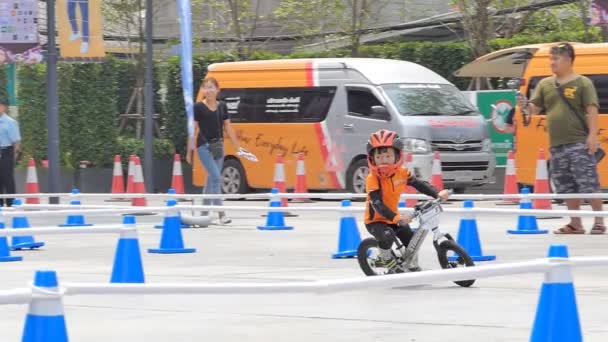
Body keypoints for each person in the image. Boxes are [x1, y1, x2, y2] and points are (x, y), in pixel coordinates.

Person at [517, 42, 605, 235]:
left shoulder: (583, 83)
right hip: (557, 145)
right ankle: (576, 223)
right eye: (551, 58)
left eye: (555, 59)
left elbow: (592, 109)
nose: (552, 62)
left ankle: (599, 221)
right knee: (566, 185)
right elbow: (534, 109)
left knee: (588, 183)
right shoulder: (545, 84)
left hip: (579, 142)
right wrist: (524, 106)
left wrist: (592, 136)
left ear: (568, 60)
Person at [364, 129, 450, 273]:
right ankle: (385, 259)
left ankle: (411, 264)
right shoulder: (372, 178)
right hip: (375, 221)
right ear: (372, 159)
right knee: (387, 236)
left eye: (387, 156)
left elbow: (419, 184)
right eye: (379, 157)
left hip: (394, 218)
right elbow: (377, 205)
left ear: (397, 156)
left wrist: (437, 193)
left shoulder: (402, 172)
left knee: (411, 239)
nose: (383, 160)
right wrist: (397, 218)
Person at [187, 77, 240, 225]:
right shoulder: (198, 107)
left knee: (211, 180)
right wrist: (188, 151)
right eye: (206, 87)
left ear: (218, 89)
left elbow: (228, 127)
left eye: (211, 87)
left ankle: (203, 215)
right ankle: (221, 214)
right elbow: (193, 130)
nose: (209, 90)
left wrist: (237, 146)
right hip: (203, 146)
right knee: (216, 177)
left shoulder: (222, 106)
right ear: (203, 90)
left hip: (218, 146)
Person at [0, 98, 21, 207]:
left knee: (7, 179)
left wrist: (13, 156)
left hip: (6, 152)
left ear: (4, 107)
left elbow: (16, 142)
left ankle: (11, 204)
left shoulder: (10, 122)